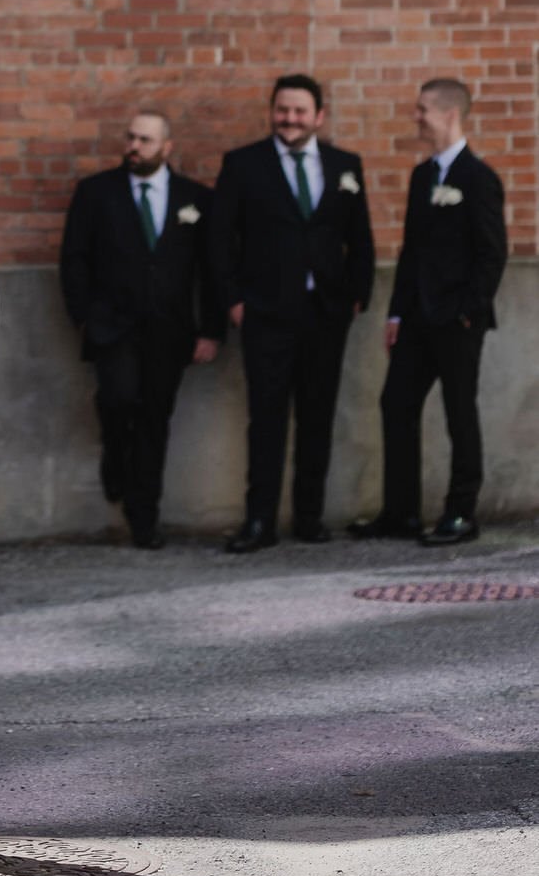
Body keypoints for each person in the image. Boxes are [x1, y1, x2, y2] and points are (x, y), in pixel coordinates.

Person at [210, 75, 374, 552]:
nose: (290, 119)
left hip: (326, 311)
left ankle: (309, 517)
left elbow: (359, 238)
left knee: (317, 416)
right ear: (272, 112)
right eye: (282, 109)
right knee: (266, 418)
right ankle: (259, 521)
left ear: (318, 116)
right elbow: (219, 239)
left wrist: (357, 294)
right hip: (265, 312)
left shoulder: (345, 166)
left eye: (300, 111)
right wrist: (233, 300)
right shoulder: (243, 164)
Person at [349, 79, 507, 547]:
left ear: (449, 114)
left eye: (422, 110)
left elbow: (492, 254)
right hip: (417, 319)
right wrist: (396, 315)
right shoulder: (422, 177)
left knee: (459, 412)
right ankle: (400, 513)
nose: (416, 117)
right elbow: (412, 251)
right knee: (395, 404)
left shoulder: (479, 178)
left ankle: (461, 513)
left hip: (457, 320)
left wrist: (468, 311)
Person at [59, 110, 223, 549]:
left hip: (169, 331)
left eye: (145, 140)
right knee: (116, 400)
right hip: (111, 326)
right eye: (131, 137)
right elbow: (74, 258)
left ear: (166, 147)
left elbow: (210, 269)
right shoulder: (96, 192)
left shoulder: (195, 198)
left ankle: (144, 516)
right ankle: (115, 457)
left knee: (154, 419)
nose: (134, 146)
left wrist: (211, 330)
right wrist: (83, 316)